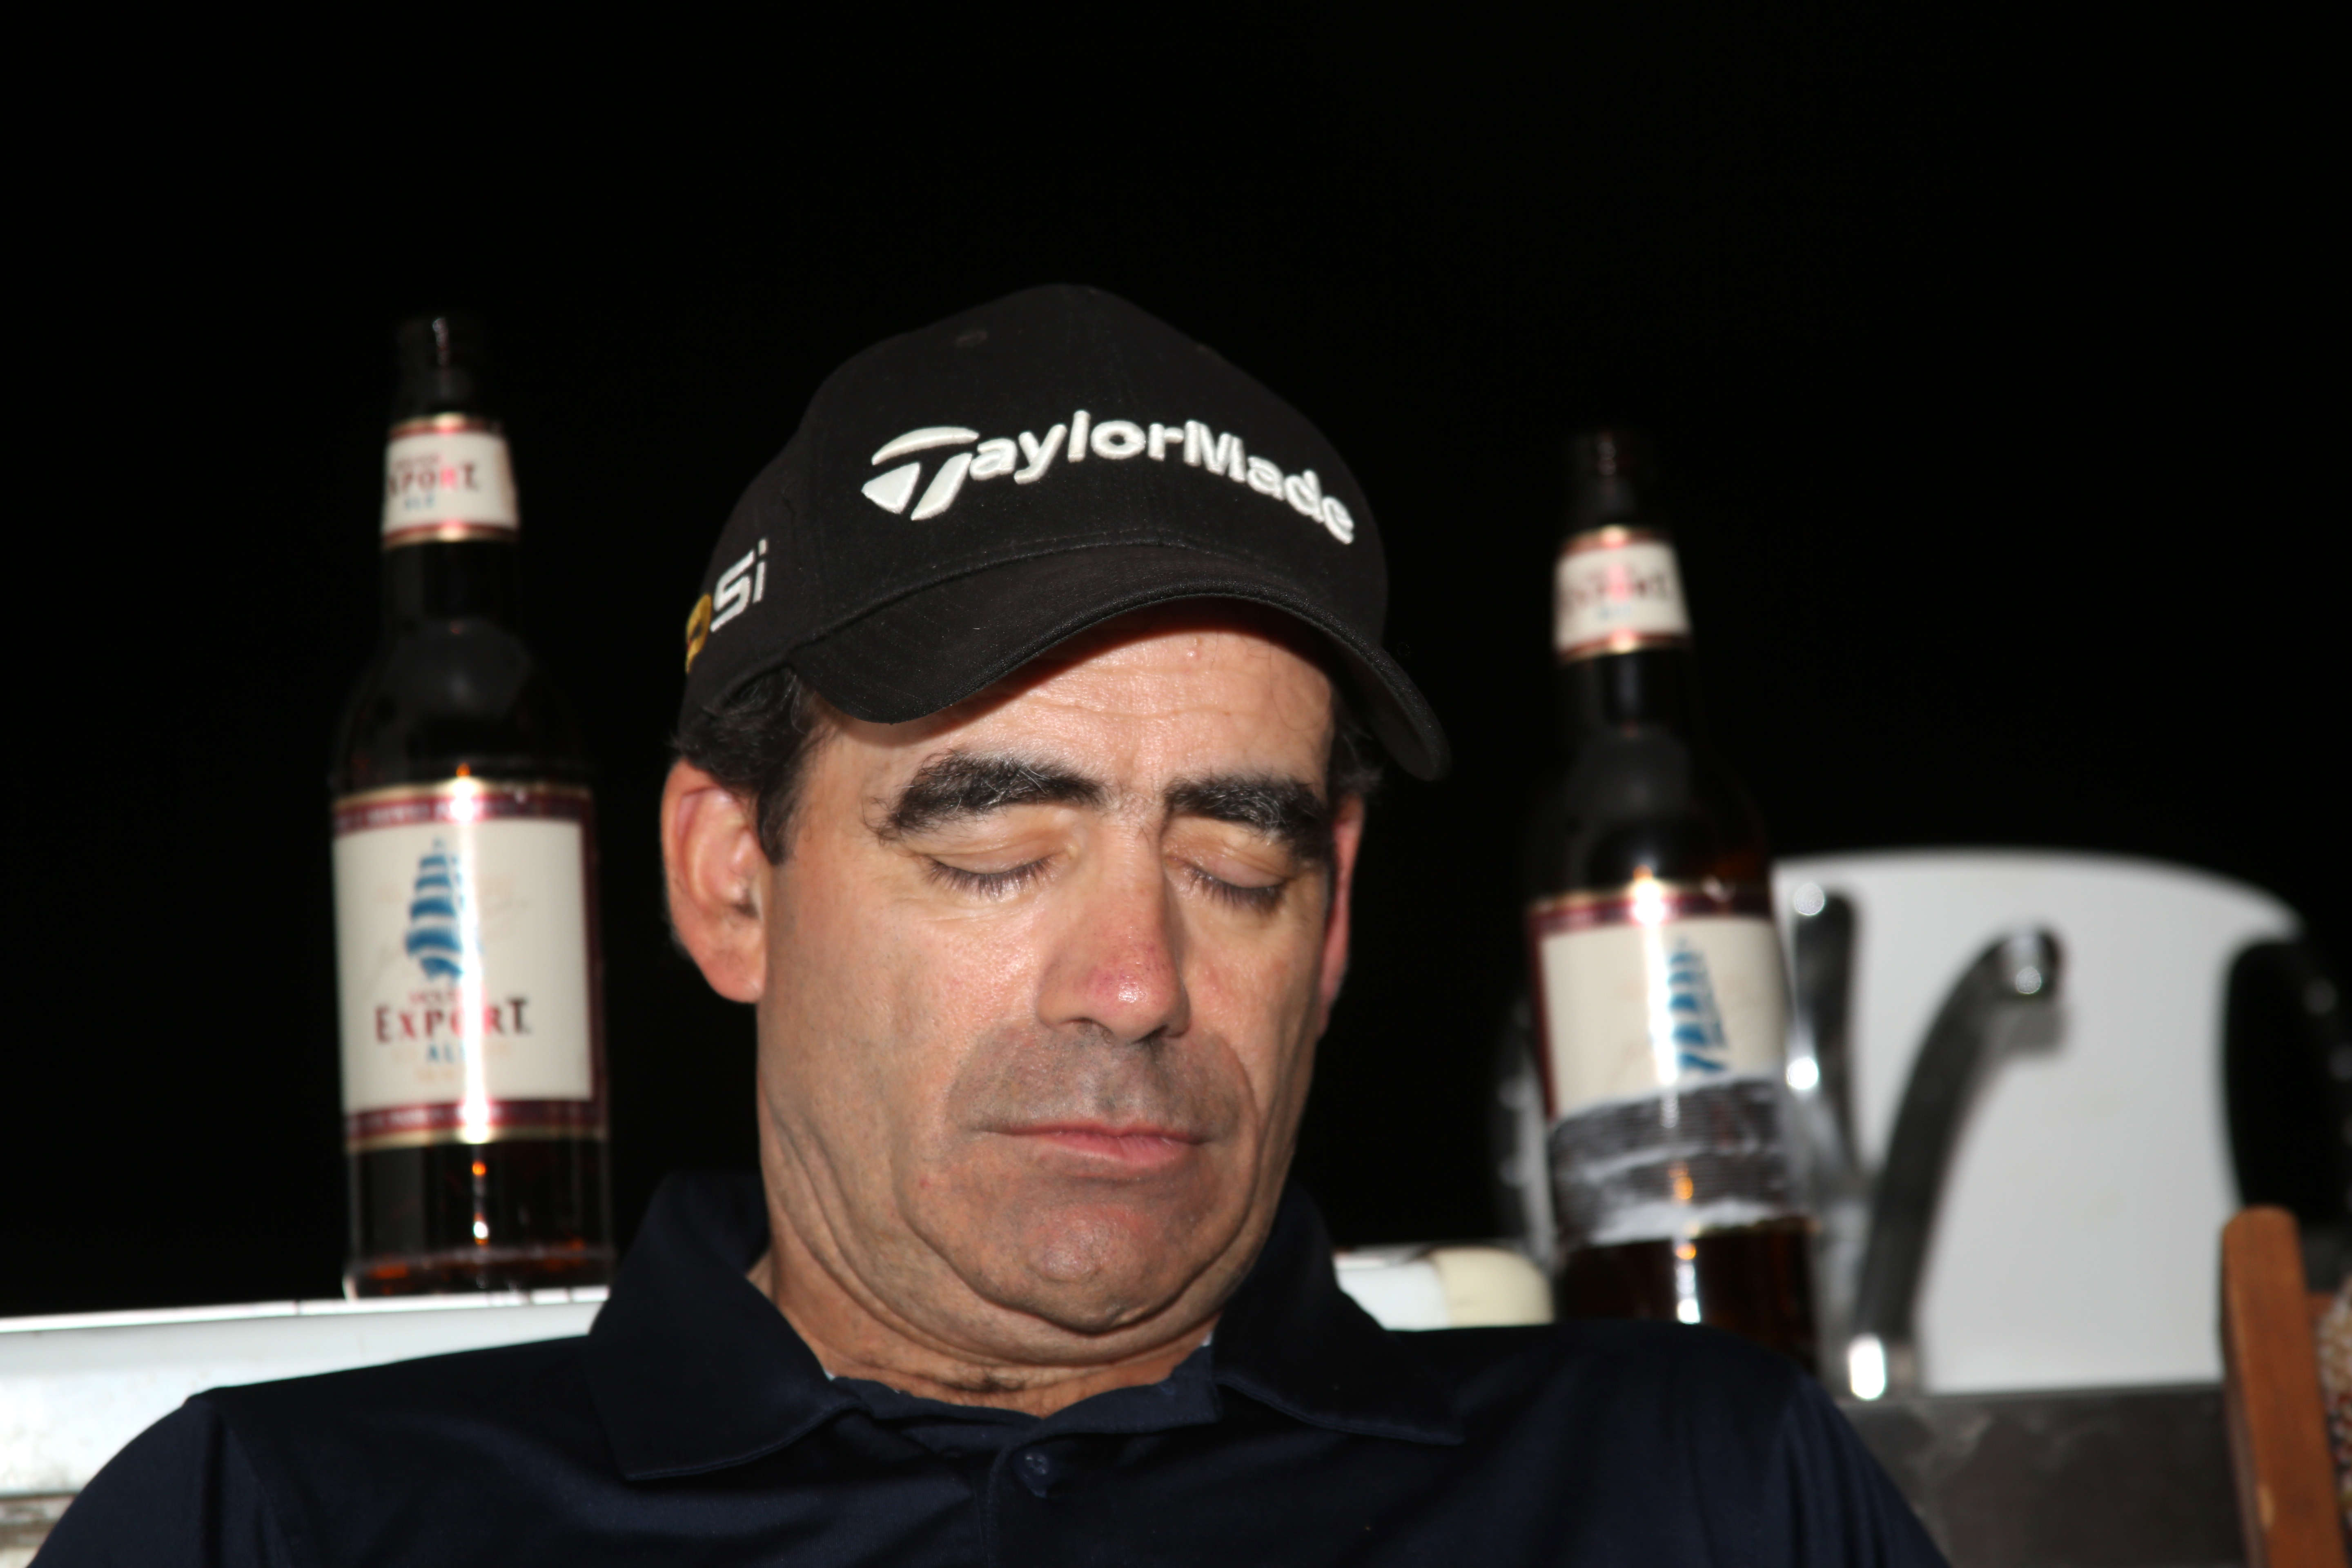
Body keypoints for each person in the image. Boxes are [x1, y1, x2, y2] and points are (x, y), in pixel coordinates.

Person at [45, 285, 1943, 1565]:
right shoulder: (285, 1522)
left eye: (1237, 860)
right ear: (731, 881)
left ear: (1339, 920)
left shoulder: (1701, 1490)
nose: (1135, 984)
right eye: (995, 849)